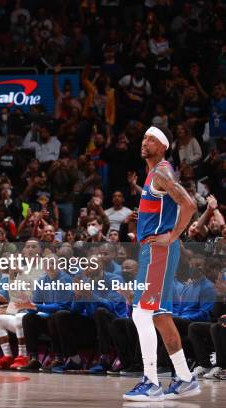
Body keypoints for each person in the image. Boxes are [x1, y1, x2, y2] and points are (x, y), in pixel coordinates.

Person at [123, 126, 199, 401]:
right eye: (143, 137)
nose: (145, 141)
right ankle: (184, 378)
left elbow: (189, 204)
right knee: (159, 315)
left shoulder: (161, 172)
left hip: (158, 251)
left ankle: (151, 382)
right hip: (154, 250)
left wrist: (173, 235)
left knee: (140, 313)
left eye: (151, 138)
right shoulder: (153, 174)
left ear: (163, 146)